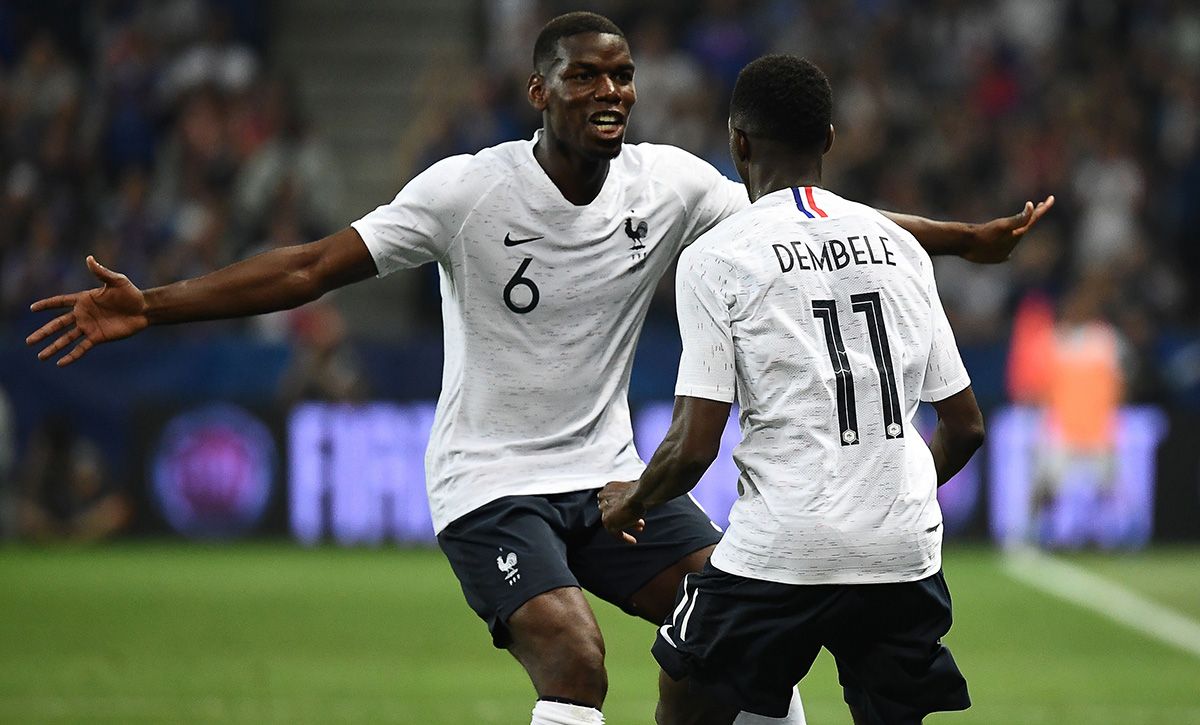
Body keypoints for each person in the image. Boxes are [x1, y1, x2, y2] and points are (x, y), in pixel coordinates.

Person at [27, 13, 1047, 725]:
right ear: (539, 90)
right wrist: (153, 302)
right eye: (588, 77)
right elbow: (307, 265)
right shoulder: (468, 191)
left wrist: (966, 237)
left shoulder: (670, 183)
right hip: (491, 480)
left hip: (607, 478)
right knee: (575, 655)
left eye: (622, 76)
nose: (612, 93)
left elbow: (815, 221)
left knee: (743, 639)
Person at [599, 55, 986, 724]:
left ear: (738, 141)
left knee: (687, 691)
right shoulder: (901, 247)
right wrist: (892, 491)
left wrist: (631, 499)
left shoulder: (721, 255)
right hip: (901, 551)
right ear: (830, 139)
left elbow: (693, 448)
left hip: (782, 546)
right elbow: (967, 425)